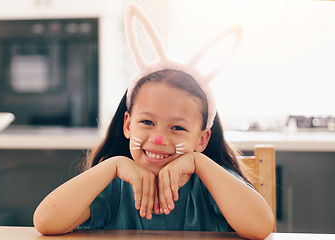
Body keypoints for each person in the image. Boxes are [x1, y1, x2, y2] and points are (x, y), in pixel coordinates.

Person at [33, 3, 274, 239]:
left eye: (177, 127)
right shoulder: (114, 186)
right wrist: (113, 165)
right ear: (128, 125)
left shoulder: (213, 183)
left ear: (201, 140)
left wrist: (199, 162)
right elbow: (45, 221)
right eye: (147, 123)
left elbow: (261, 227)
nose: (159, 138)